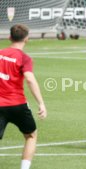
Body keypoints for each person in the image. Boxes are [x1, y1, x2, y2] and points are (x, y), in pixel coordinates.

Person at [0, 24, 47, 169]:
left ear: (9, 37)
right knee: (31, 135)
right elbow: (30, 79)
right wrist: (41, 103)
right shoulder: (24, 58)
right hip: (17, 104)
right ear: (26, 39)